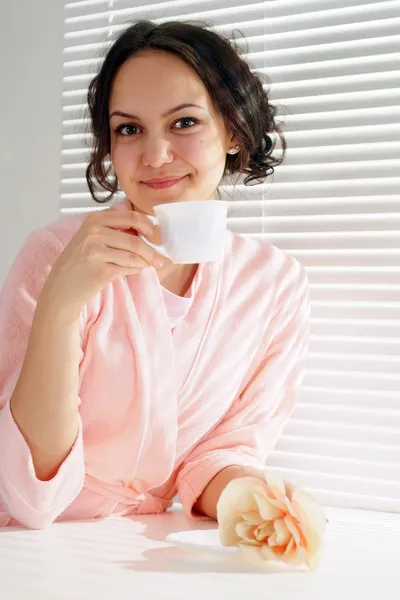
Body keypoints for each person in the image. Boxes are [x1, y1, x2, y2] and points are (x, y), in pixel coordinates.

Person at [0, 20, 311, 530]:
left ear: (232, 131)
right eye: (129, 129)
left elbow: (222, 453)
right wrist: (60, 304)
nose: (155, 155)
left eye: (184, 123)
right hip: (28, 547)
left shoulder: (275, 283)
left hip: (144, 544)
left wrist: (256, 504)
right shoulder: (57, 252)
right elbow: (30, 496)